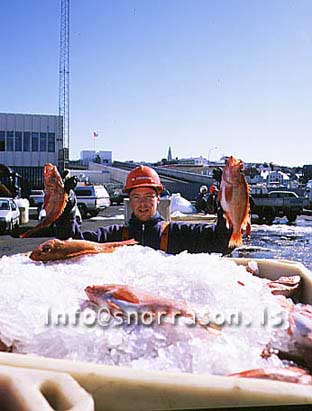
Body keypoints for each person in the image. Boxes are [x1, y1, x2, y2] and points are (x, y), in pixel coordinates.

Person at [55, 165, 233, 255]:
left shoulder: (180, 234)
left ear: (158, 198)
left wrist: (229, 202)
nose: (143, 203)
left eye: (149, 196)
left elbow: (222, 243)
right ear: (129, 201)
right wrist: (66, 207)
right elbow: (70, 245)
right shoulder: (111, 236)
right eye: (137, 197)